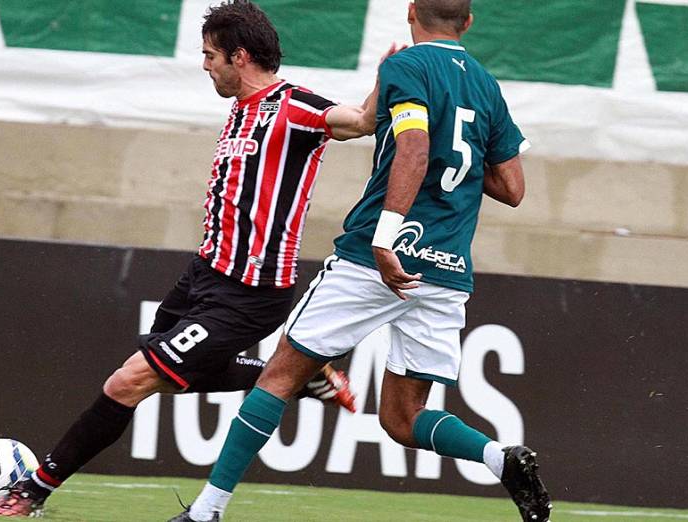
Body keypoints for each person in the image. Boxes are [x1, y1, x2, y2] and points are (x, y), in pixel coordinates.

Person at [0, 0, 395, 517]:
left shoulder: (293, 106)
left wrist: (385, 79)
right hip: (203, 275)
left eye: (209, 55)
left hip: (250, 292)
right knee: (175, 371)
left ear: (239, 57)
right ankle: (296, 376)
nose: (204, 66)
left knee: (128, 381)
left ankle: (34, 490)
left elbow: (358, 121)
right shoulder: (240, 112)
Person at [171, 0, 553, 521]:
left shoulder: (406, 66)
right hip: (445, 272)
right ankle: (498, 456)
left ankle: (206, 512)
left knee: (279, 376)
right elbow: (512, 187)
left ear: (412, 12)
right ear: (468, 23)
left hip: (379, 259)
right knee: (402, 418)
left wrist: (386, 235)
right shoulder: (487, 85)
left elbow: (414, 148)